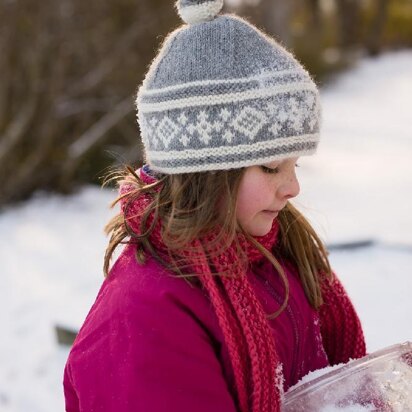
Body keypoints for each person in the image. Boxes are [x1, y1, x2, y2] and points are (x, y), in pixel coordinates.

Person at [63, 1, 366, 411]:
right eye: (272, 166)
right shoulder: (143, 316)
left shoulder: (278, 257)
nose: (293, 187)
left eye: (297, 165)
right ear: (206, 173)